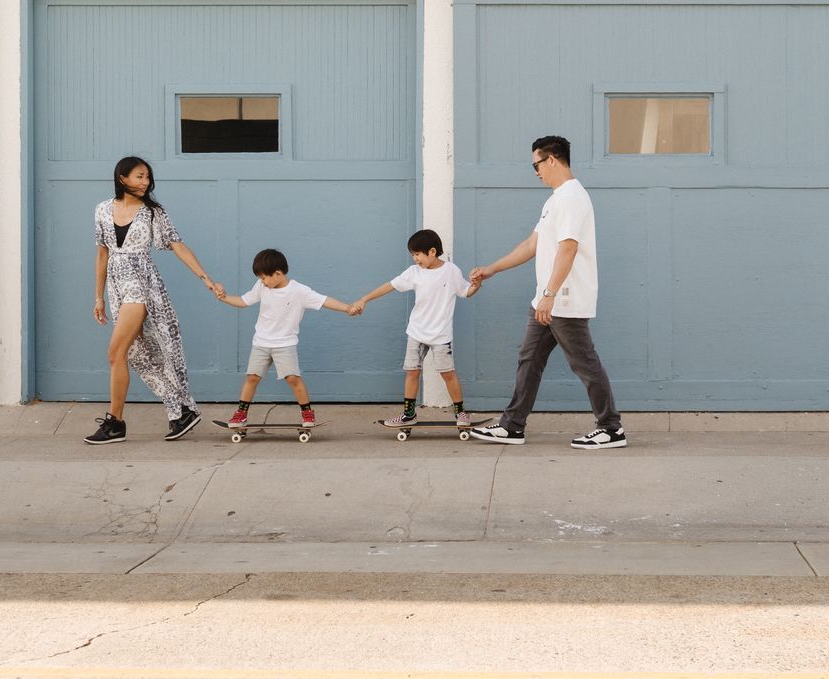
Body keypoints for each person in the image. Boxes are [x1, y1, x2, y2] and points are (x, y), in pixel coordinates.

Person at [466, 134, 625, 448]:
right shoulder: (555, 200)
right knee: (529, 360)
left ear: (552, 159)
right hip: (546, 301)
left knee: (585, 364)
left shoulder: (571, 197)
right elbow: (531, 245)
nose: (536, 171)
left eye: (536, 164)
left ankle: (611, 428)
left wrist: (551, 294)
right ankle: (512, 426)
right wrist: (492, 269)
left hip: (563, 301)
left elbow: (568, 248)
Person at [88, 155, 222, 445]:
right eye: (139, 176)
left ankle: (116, 423)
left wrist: (206, 279)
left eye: (147, 177)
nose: (145, 182)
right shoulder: (101, 210)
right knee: (137, 355)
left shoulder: (153, 212)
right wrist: (98, 297)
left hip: (142, 286)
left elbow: (177, 244)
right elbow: (102, 254)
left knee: (115, 353)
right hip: (116, 288)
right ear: (122, 177)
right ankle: (181, 410)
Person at [346, 228, 479, 428]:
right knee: (412, 372)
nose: (415, 259)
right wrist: (364, 299)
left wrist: (477, 284)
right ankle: (409, 414)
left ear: (432, 252)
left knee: (448, 373)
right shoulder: (414, 273)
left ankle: (461, 414)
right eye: (413, 255)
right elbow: (389, 286)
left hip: (440, 334)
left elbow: (466, 291)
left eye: (417, 254)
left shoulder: (451, 271)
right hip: (416, 332)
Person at [215, 248, 353, 431]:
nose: (262, 281)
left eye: (264, 277)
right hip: (261, 343)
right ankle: (241, 414)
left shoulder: (299, 291)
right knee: (252, 378)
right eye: (260, 278)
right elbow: (243, 301)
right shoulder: (261, 287)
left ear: (278, 274)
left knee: (293, 379)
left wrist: (347, 308)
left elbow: (324, 300)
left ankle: (307, 413)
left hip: (284, 344)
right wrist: (223, 297)